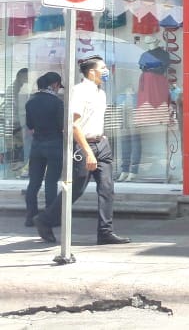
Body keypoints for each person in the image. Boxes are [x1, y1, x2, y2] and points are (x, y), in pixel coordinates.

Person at [33, 56, 132, 245]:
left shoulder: (101, 93)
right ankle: (45, 219)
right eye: (103, 68)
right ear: (92, 72)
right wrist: (88, 152)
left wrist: (102, 138)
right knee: (76, 189)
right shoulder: (78, 92)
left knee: (107, 189)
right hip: (84, 146)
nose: (106, 71)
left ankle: (105, 232)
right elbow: (73, 125)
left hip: (101, 144)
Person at [23, 72, 65, 227]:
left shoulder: (31, 102)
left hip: (37, 145)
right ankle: (49, 218)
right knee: (51, 182)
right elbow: (61, 126)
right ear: (54, 84)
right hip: (54, 144)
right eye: (58, 86)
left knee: (34, 182)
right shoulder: (57, 102)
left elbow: (30, 125)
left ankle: (30, 216)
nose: (58, 89)